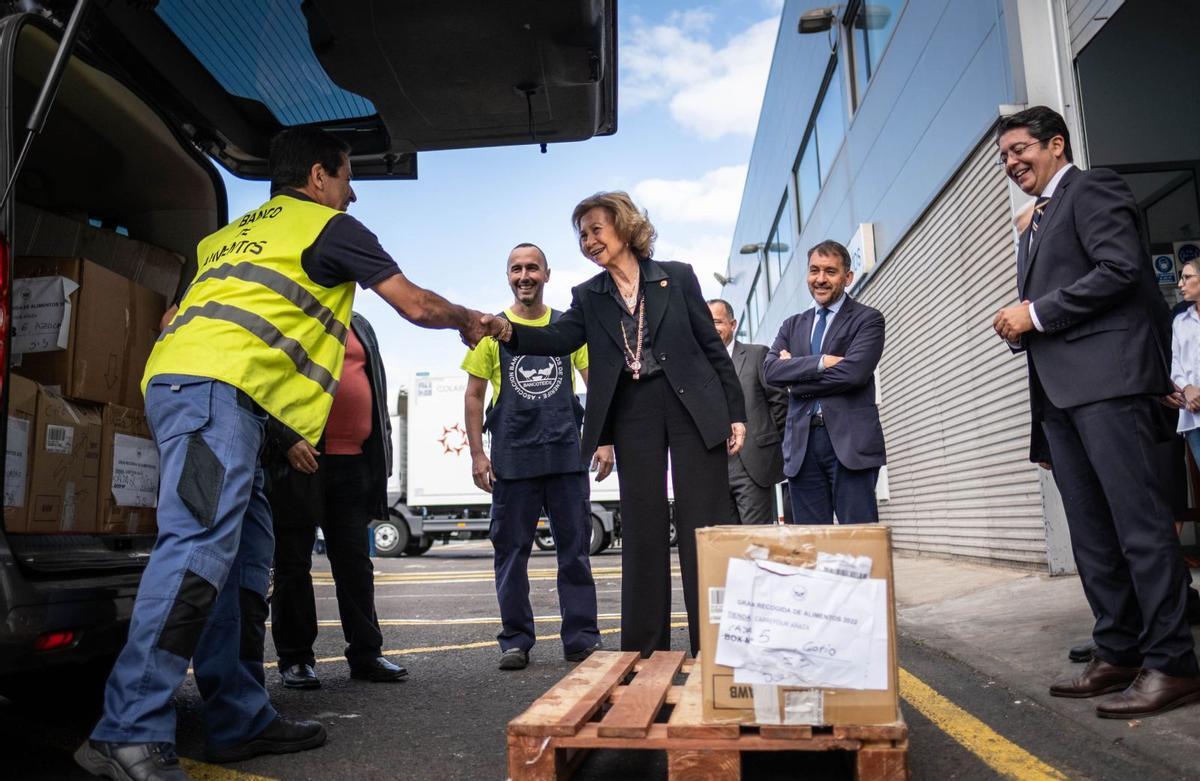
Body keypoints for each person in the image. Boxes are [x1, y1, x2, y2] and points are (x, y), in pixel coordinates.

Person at [77, 127, 501, 781]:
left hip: (213, 397)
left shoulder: (225, 239)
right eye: (347, 176)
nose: (353, 192)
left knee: (244, 562)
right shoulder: (328, 227)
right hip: (216, 397)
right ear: (319, 174)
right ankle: (126, 729)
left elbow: (169, 323)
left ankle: (238, 718)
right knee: (195, 552)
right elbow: (414, 304)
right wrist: (471, 320)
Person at [993, 105, 1200, 718]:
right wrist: (1024, 325)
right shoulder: (1036, 220)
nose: (1012, 163)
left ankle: (1172, 663)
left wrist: (1033, 313)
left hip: (1109, 388)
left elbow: (1121, 271)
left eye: (1021, 150)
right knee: (1093, 536)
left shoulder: (1094, 187)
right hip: (1061, 397)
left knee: (1139, 529)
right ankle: (1120, 649)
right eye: (1005, 157)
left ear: (1056, 144)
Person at [495, 191, 747, 657]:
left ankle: (718, 646)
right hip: (635, 412)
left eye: (596, 229)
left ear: (626, 227)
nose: (589, 241)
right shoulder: (589, 296)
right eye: (582, 234)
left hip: (693, 405)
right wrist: (507, 331)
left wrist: (736, 412)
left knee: (703, 525)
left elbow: (712, 349)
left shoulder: (677, 276)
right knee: (644, 526)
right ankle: (645, 651)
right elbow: (556, 337)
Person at [462, 243, 604, 670]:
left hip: (566, 457)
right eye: (516, 269)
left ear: (546, 274)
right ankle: (515, 641)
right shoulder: (493, 331)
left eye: (532, 268)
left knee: (574, 552)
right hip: (514, 459)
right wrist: (476, 455)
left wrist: (605, 439)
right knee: (510, 554)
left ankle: (581, 639)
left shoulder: (567, 326)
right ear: (509, 276)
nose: (524, 275)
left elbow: (595, 385)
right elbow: (473, 396)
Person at [265, 311, 406, 688]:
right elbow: (264, 382)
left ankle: (366, 654)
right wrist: (285, 438)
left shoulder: (361, 324)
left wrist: (383, 456)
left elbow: (376, 388)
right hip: (300, 459)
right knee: (293, 563)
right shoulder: (291, 315)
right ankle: (295, 659)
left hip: (354, 462)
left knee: (355, 563)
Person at [762, 240, 886, 525]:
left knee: (860, 543)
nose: (820, 279)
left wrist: (796, 379)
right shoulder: (791, 325)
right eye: (814, 270)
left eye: (830, 271)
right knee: (811, 546)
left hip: (850, 443)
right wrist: (820, 362)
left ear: (848, 277)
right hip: (803, 447)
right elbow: (770, 372)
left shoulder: (868, 320)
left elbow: (854, 373)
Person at [707, 299, 787, 523]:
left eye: (717, 321)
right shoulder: (699, 366)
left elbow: (780, 404)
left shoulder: (757, 355)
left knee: (756, 541)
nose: (711, 328)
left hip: (753, 464)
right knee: (727, 542)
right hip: (716, 468)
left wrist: (768, 444)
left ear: (732, 324)